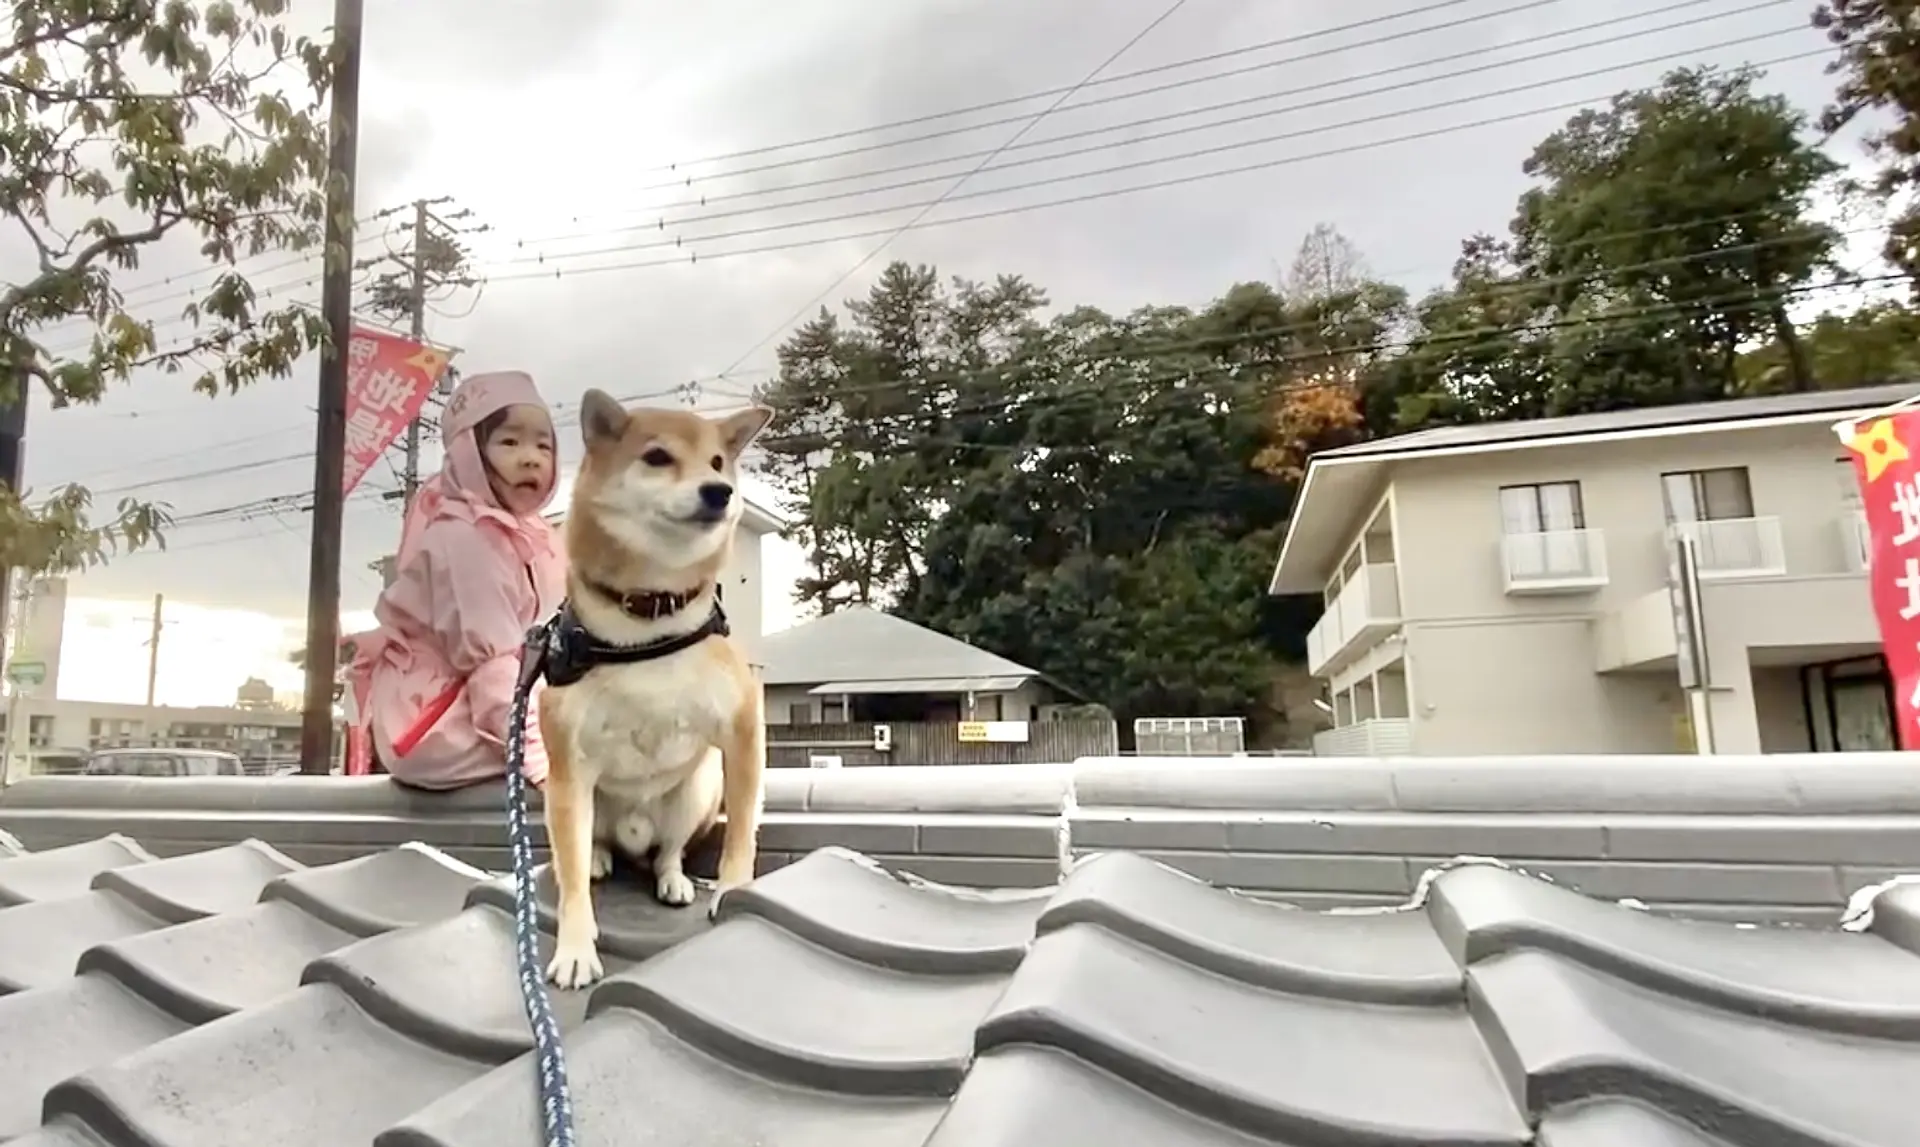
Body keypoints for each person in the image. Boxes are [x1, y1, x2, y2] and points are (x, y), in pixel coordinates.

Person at [347, 370, 565, 789]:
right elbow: (493, 669)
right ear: (469, 453)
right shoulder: (467, 538)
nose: (531, 458)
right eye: (509, 442)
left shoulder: (517, 534)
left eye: (544, 445)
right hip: (434, 724)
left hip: (464, 708)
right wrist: (545, 769)